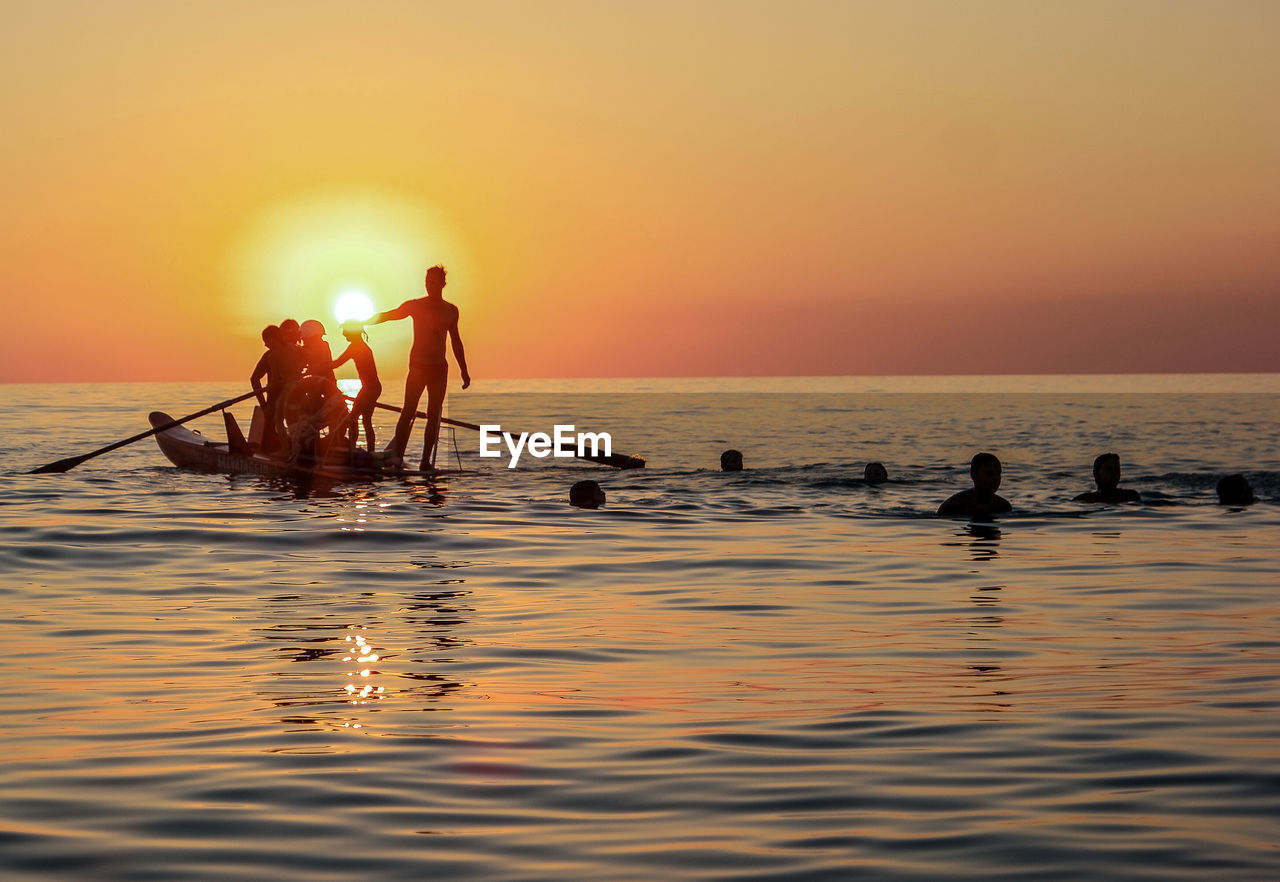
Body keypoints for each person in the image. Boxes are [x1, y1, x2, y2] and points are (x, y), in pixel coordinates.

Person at [368, 265, 471, 469]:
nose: (429, 286)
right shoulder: (415, 306)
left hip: (439, 369)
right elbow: (390, 315)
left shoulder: (451, 310)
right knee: (408, 411)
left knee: (434, 414)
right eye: (427, 282)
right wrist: (362, 321)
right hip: (418, 367)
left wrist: (464, 370)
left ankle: (425, 461)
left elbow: (456, 341)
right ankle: (397, 456)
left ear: (443, 284)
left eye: (433, 282)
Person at [249, 323, 304, 454]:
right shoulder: (297, 351)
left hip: (279, 399)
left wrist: (265, 404)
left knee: (275, 426)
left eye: (266, 341)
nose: (265, 345)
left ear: (273, 339)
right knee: (292, 425)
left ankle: (284, 450)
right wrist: (263, 404)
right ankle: (293, 449)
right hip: (296, 395)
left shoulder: (272, 355)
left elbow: (260, 380)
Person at [331, 322, 382, 453]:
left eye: (345, 331)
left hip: (370, 388)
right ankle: (370, 451)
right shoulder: (360, 346)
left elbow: (337, 363)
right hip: (373, 387)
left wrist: (319, 365)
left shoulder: (356, 347)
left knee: (353, 418)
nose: (343, 334)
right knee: (366, 421)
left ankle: (353, 450)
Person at [937, 452, 1012, 518]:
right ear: (973, 475)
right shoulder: (953, 505)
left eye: (998, 473)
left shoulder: (1003, 506)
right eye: (990, 474)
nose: (996, 478)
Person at [1075, 453, 1141, 504]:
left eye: (1117, 470)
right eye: (1108, 470)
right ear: (1096, 474)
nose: (1114, 473)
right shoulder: (1084, 499)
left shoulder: (1131, 496)